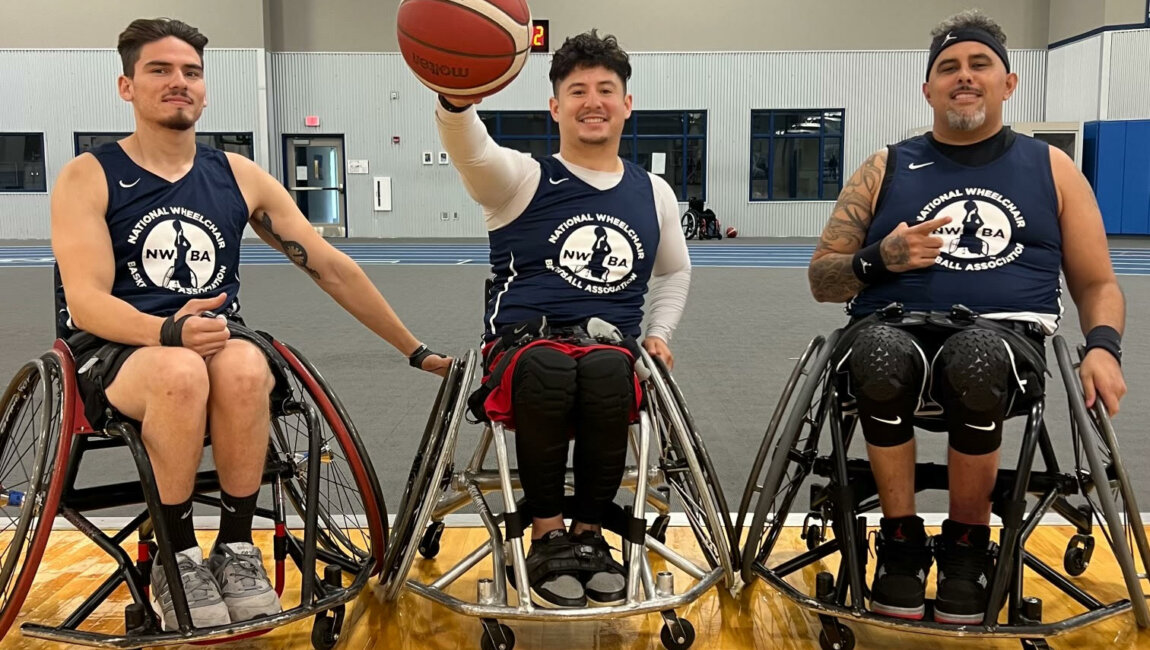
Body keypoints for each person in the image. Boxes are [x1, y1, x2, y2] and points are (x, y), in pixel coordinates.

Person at [50, 17, 450, 631]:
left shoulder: (237, 175)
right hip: (117, 352)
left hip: (213, 342)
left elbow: (331, 268)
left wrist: (414, 350)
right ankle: (176, 555)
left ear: (205, 90)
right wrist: (165, 332)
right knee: (181, 370)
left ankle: (236, 549)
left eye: (192, 72)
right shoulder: (91, 175)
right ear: (126, 86)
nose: (179, 82)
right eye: (159, 70)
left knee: (245, 365)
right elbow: (86, 303)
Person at [807, 9, 1126, 625]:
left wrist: (1103, 346)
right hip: (891, 326)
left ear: (1008, 83)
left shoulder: (1052, 169)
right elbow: (823, 277)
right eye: (948, 67)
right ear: (927, 89)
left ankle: (966, 545)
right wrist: (882, 258)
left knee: (975, 359)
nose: (964, 76)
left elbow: (1097, 282)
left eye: (980, 64)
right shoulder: (884, 168)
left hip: (1006, 337)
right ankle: (899, 543)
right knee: (878, 356)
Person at [435, 31, 691, 609]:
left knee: (604, 373)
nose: (592, 101)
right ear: (555, 107)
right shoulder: (520, 178)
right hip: (525, 349)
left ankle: (590, 535)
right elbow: (470, 146)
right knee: (549, 366)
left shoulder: (652, 192)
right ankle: (548, 533)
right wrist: (455, 101)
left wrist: (659, 334)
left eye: (606, 89)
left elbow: (674, 273)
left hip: (609, 351)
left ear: (627, 104)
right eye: (577, 90)